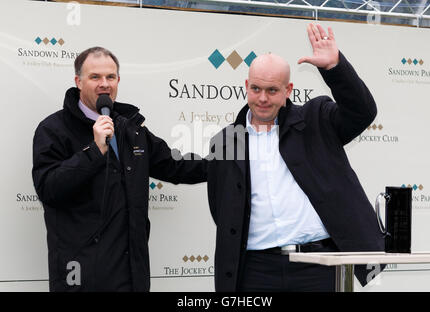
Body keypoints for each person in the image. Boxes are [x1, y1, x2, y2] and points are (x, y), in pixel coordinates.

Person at [206, 23, 384, 291]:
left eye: (272, 90)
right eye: (256, 89)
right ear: (246, 86)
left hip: (317, 266)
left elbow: (363, 112)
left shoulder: (317, 119)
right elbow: (221, 207)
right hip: (255, 272)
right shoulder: (224, 141)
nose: (262, 98)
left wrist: (334, 68)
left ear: (288, 90)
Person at [32, 47, 207, 291]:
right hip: (81, 277)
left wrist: (231, 163)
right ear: (78, 82)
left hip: (130, 274)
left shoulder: (131, 129)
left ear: (118, 80)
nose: (104, 84)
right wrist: (94, 151)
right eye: (95, 77)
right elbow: (48, 189)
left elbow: (175, 166)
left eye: (110, 77)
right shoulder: (53, 129)